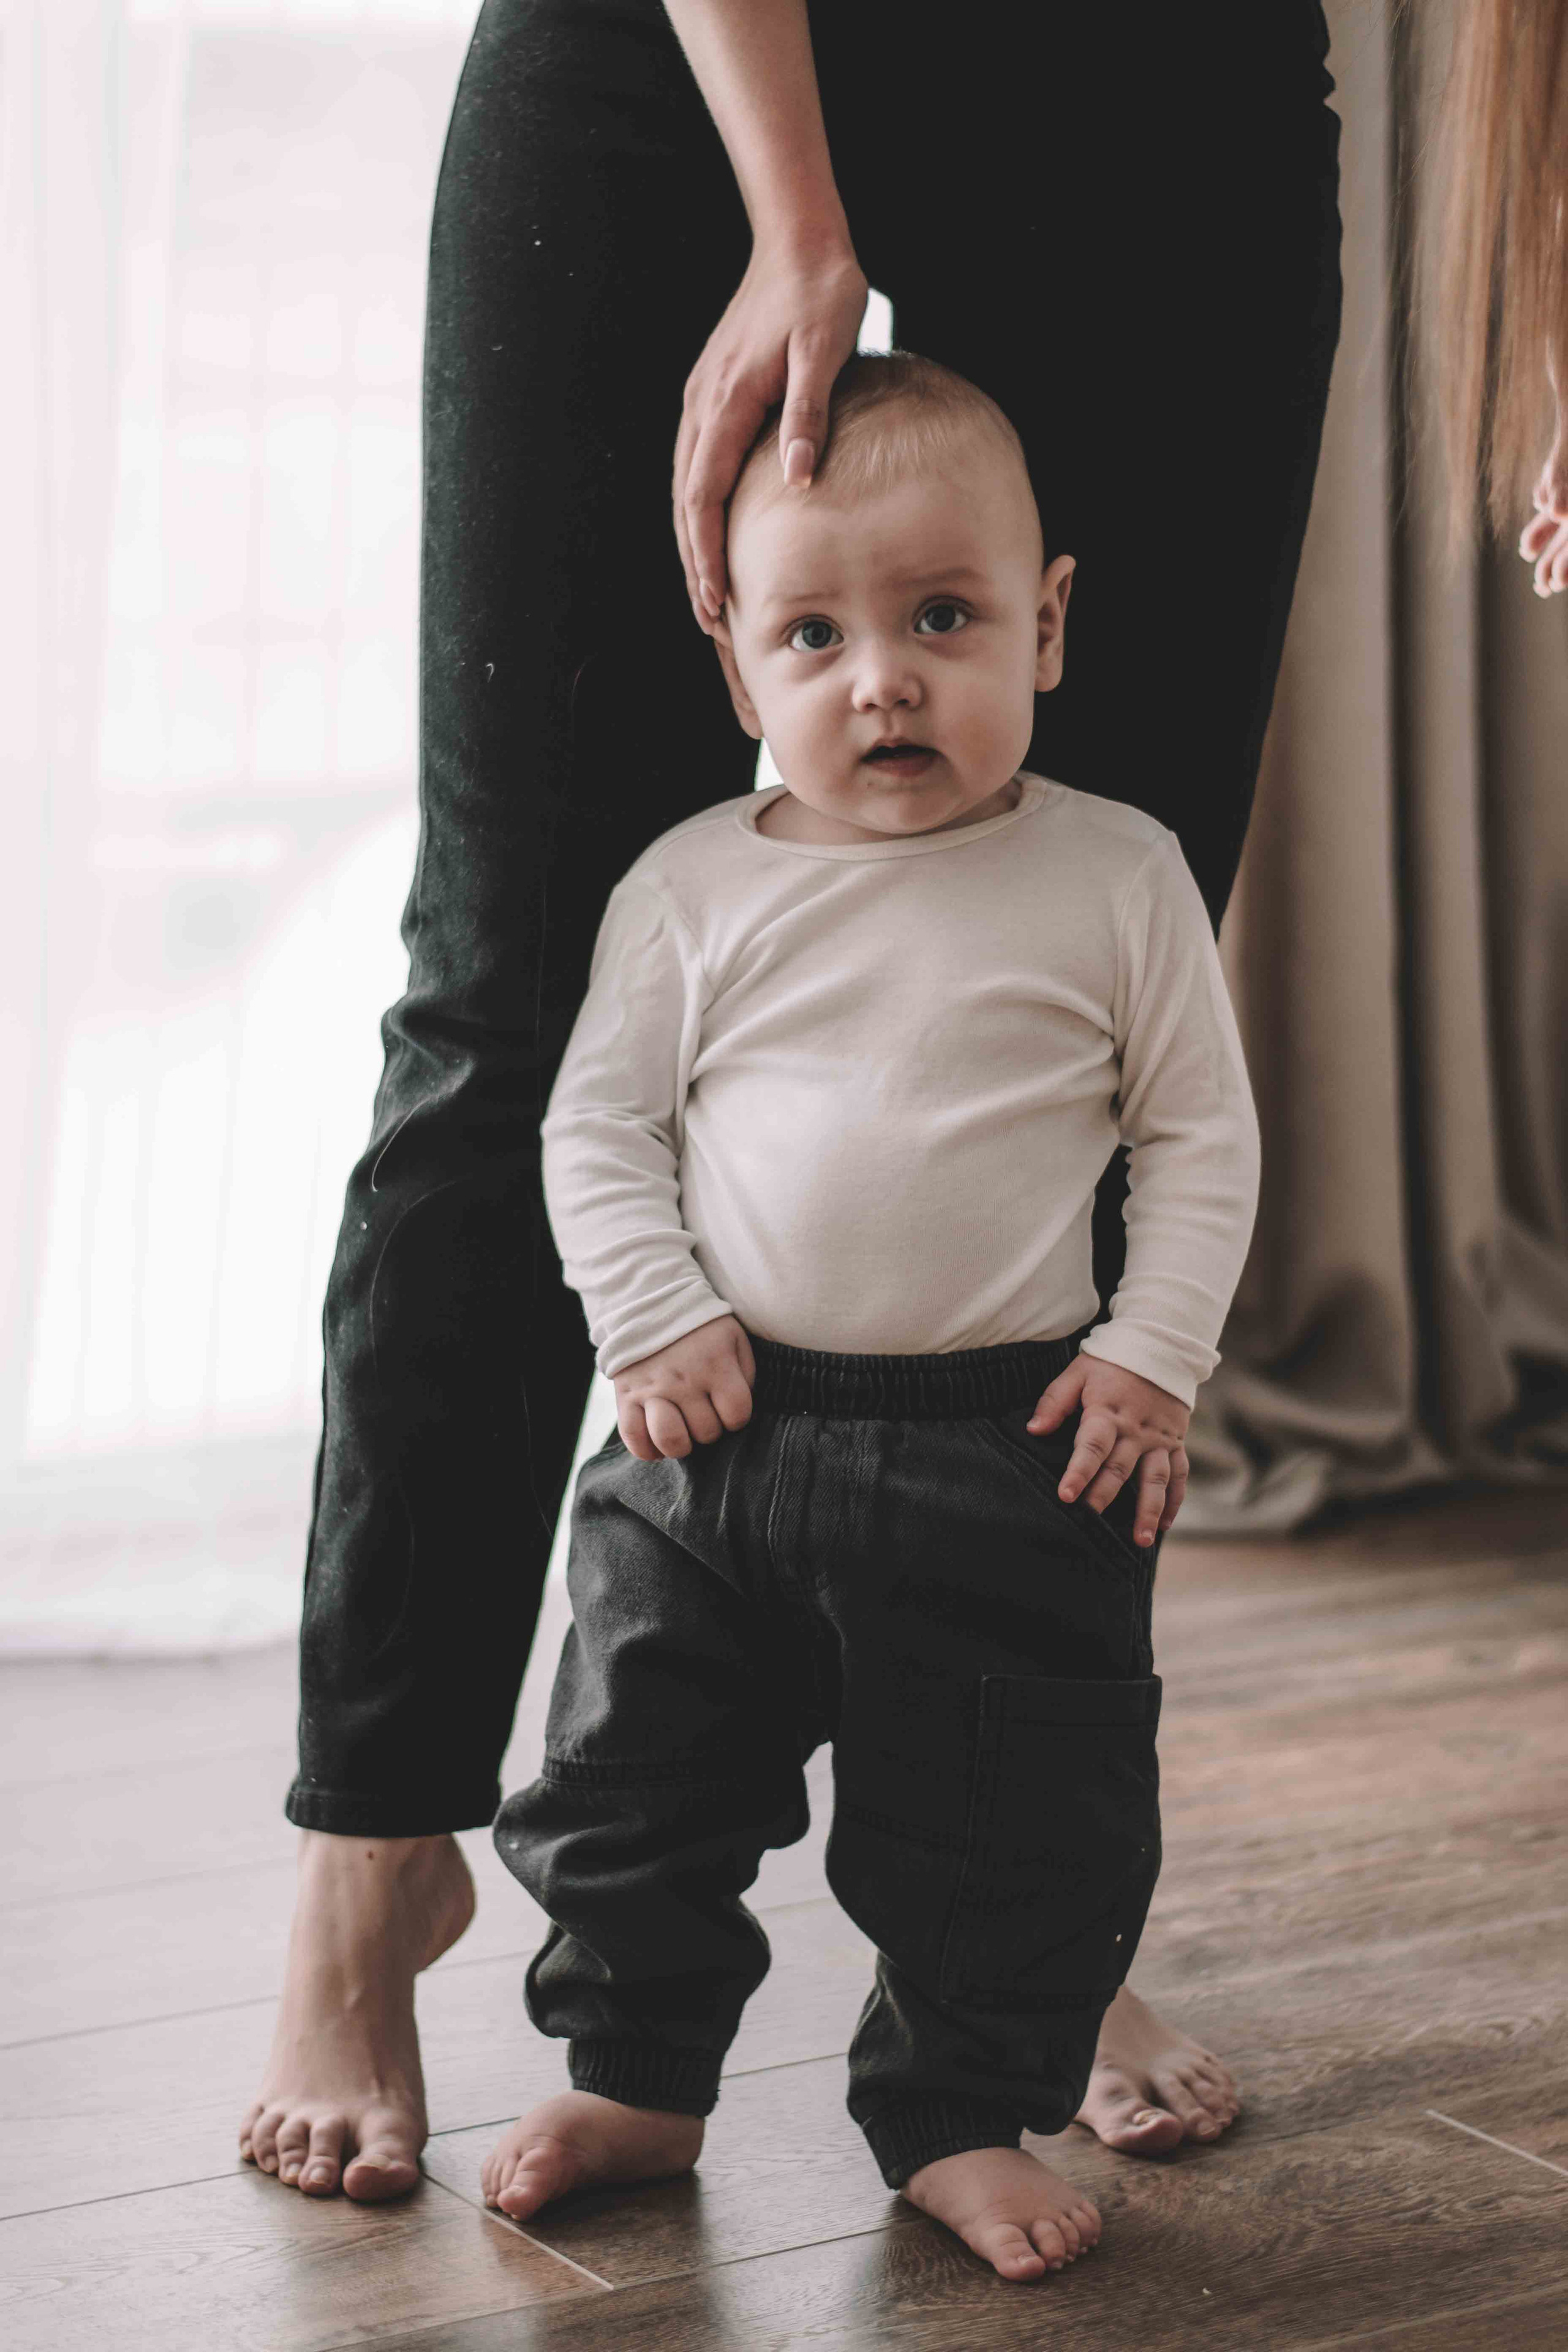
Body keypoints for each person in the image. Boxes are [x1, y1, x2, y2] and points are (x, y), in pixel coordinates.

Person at [242, 0, 1341, 2201]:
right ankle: (379, 1849)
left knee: (1100, 992)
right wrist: (796, 216)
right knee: (511, 989)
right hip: (687, 51)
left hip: (1162, 78)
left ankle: (1029, 1936)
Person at [476, 350, 1262, 2284]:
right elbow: (599, 1124)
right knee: (628, 1784)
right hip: (712, 1437)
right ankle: (642, 2074)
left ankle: (956, 2118)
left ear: (1047, 624)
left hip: (1012, 1447)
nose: (882, 679)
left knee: (1017, 1822)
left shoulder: (1114, 872)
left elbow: (1202, 1141)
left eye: (943, 620)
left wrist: (1153, 1357)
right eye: (814, 635)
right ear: (739, 668)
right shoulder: (689, 891)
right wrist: (649, 1317)